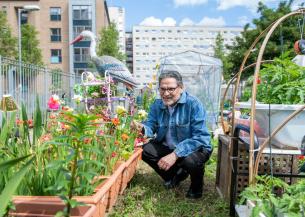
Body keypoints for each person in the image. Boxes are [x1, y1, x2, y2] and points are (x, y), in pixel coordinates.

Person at [133, 70, 212, 199]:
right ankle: (174, 175)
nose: (166, 93)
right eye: (162, 89)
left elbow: (200, 137)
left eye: (171, 89)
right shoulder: (157, 105)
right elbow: (151, 126)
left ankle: (196, 187)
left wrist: (175, 154)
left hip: (195, 148)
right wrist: (142, 128)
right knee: (145, 149)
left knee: (190, 160)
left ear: (181, 88)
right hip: (170, 147)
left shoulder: (193, 104)